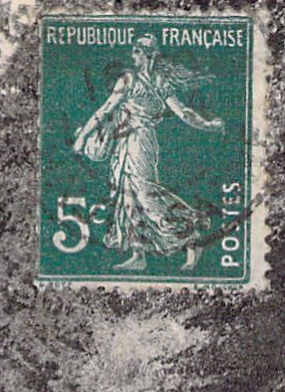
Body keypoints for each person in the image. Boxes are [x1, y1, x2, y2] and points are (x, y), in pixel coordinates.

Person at [73, 34, 224, 272]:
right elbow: (106, 109)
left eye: (137, 51)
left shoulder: (155, 82)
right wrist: (83, 137)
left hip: (141, 141)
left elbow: (183, 112)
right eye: (133, 51)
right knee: (127, 195)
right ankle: (138, 253)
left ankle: (193, 235)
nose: (132, 56)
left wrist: (207, 125)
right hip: (124, 142)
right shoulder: (129, 79)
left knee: (145, 194)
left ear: (148, 55)